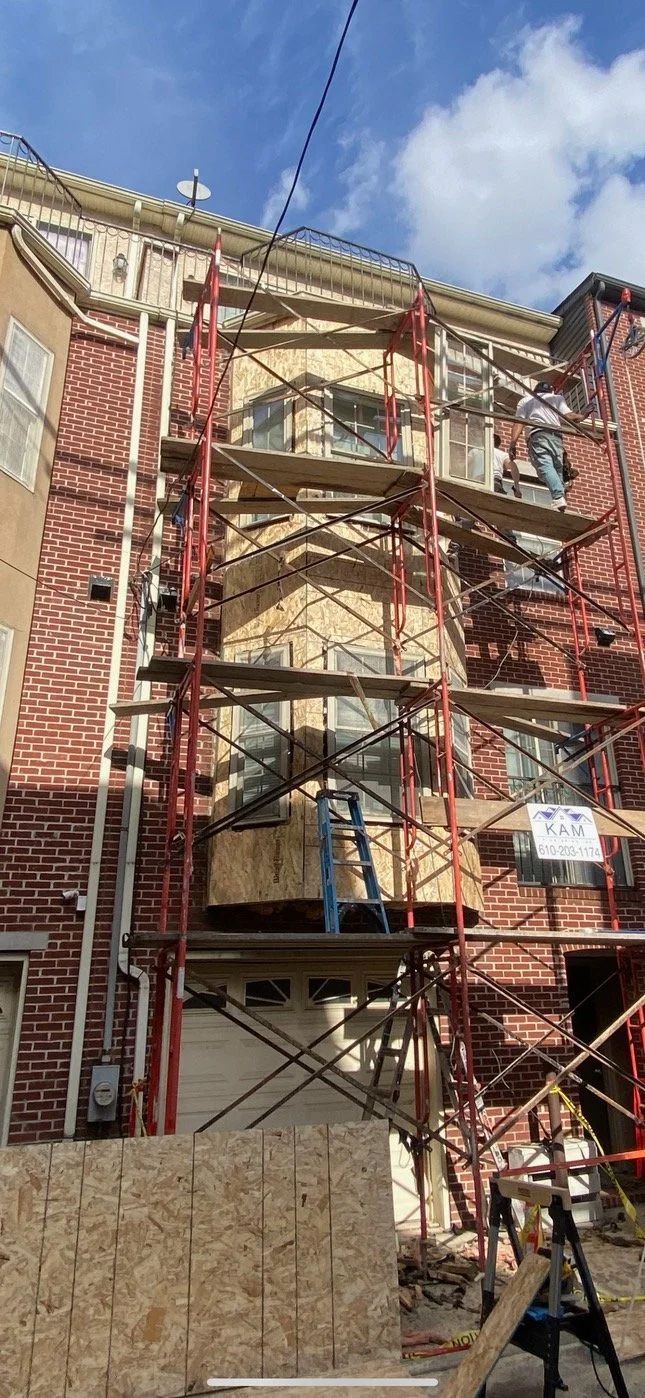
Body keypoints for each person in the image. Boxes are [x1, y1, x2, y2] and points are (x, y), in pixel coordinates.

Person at [508, 381, 590, 511]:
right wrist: (582, 415)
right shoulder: (556, 398)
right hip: (556, 437)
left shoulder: (526, 400)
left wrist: (513, 443)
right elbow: (569, 416)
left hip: (538, 435)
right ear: (550, 391)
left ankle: (558, 497)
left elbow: (519, 422)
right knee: (557, 468)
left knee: (544, 465)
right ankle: (560, 498)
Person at [493, 433, 522, 499]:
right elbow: (513, 466)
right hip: (495, 481)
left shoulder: (476, 450)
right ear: (498, 444)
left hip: (477, 480)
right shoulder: (501, 454)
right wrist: (517, 487)